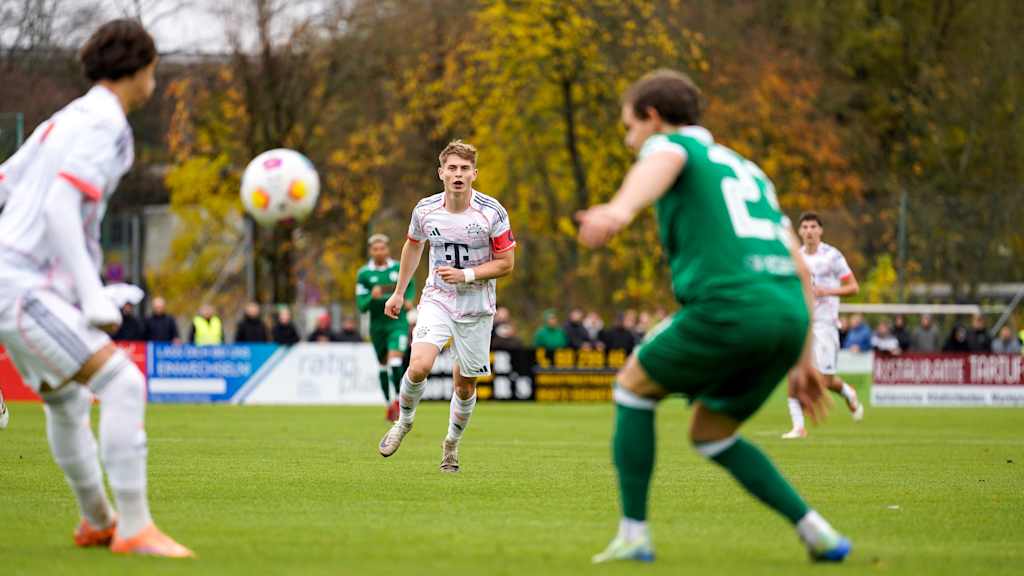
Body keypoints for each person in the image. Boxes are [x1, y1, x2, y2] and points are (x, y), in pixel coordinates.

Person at [576, 69, 849, 564]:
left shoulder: (672, 147)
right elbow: (797, 265)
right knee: (711, 432)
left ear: (652, 117)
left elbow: (666, 155)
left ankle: (634, 535)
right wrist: (803, 358)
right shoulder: (748, 169)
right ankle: (817, 532)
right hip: (787, 313)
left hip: (730, 306)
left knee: (632, 387)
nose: (628, 139)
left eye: (628, 127)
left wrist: (618, 211)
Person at [0, 20, 191, 556]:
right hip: (21, 284)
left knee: (65, 403)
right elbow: (62, 204)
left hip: (13, 279)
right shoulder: (106, 123)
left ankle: (97, 521)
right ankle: (134, 529)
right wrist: (91, 294)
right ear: (144, 68)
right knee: (123, 384)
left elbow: (4, 181)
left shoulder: (61, 120)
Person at [377, 140, 516, 473]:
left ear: (474, 174)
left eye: (464, 169)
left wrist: (465, 274)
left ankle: (451, 444)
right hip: (437, 298)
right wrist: (398, 292)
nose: (458, 174)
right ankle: (404, 422)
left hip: (477, 307)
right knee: (419, 365)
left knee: (465, 385)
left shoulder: (491, 212)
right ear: (441, 173)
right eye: (452, 168)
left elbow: (506, 263)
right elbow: (413, 247)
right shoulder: (425, 210)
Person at [782, 212, 863, 439]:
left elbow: (853, 287)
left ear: (820, 230)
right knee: (794, 371)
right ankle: (798, 427)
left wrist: (827, 290)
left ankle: (847, 391)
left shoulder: (832, 256)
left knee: (824, 381)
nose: (809, 231)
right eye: (805, 227)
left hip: (826, 324)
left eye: (813, 227)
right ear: (800, 232)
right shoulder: (795, 257)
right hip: (803, 323)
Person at [356, 234, 415, 420]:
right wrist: (370, 298)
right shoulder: (364, 274)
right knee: (382, 366)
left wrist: (409, 299)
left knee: (395, 360)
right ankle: (388, 403)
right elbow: (361, 305)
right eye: (375, 249)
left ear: (387, 249)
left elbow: (410, 284)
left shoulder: (398, 268)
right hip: (377, 326)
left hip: (397, 323)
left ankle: (398, 401)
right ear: (371, 251)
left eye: (382, 248)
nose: (379, 251)